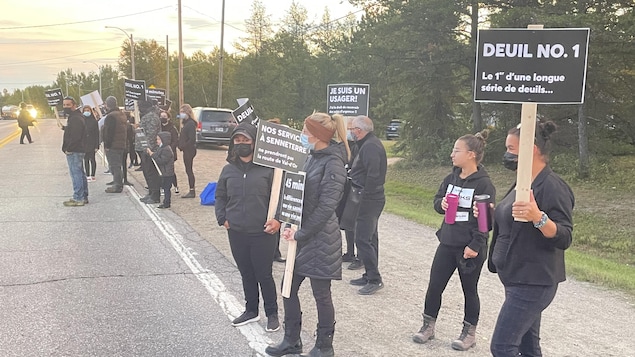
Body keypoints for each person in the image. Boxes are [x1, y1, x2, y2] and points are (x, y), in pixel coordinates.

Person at [486, 121, 574, 356]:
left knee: (502, 346)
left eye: (512, 149)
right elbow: (515, 219)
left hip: (534, 282)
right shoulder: (524, 182)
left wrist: (539, 218)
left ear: (531, 149)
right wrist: (496, 212)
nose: (507, 154)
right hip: (515, 275)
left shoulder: (552, 186)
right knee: (528, 346)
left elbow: (564, 236)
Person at [266, 112, 350, 357]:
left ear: (317, 136)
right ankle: (292, 340)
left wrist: (300, 234)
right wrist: (278, 218)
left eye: (304, 132)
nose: (302, 136)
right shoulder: (309, 157)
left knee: (321, 294)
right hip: (302, 238)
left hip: (321, 239)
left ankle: (325, 345)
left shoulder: (333, 163)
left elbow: (327, 207)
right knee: (288, 287)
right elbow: (294, 193)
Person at [412, 130, 496, 351]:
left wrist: (475, 246)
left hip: (469, 247)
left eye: (456, 150)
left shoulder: (484, 185)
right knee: (434, 286)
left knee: (469, 290)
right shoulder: (451, 178)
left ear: (470, 154)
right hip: (447, 242)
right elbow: (437, 199)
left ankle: (469, 334)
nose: (452, 154)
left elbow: (485, 220)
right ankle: (428, 326)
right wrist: (441, 204)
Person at [215, 122, 282, 333]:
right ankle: (251, 310)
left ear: (255, 142)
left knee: (263, 273)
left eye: (246, 140)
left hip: (263, 232)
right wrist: (222, 218)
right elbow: (220, 196)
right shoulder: (228, 170)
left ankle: (272, 313)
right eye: (238, 140)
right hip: (236, 231)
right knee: (246, 273)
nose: (241, 144)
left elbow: (279, 198)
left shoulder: (270, 170)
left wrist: (278, 219)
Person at [348, 115, 388, 295]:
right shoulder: (366, 144)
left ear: (359, 130)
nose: (350, 132)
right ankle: (369, 273)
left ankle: (374, 278)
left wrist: (365, 196)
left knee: (362, 238)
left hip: (369, 197)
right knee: (371, 237)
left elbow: (374, 174)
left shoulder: (370, 146)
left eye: (352, 129)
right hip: (369, 195)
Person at [338, 116, 361, 269]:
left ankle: (360, 256)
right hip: (347, 185)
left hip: (356, 187)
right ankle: (350, 252)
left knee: (355, 222)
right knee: (346, 220)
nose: (350, 131)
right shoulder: (347, 145)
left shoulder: (360, 146)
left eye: (351, 128)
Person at [61, 96, 88, 206]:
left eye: (68, 105)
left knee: (76, 173)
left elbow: (76, 136)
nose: (66, 107)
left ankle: (78, 197)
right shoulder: (74, 117)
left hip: (75, 150)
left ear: (74, 105)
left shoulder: (76, 118)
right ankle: (83, 195)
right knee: (80, 173)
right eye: (64, 105)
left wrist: (69, 149)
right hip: (78, 149)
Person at [267, 117, 285, 263]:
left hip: (279, 188)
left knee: (278, 218)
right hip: (265, 189)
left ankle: (275, 251)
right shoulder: (262, 150)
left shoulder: (283, 149)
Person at [136, 100, 162, 203]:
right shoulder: (147, 115)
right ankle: (151, 192)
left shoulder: (151, 117)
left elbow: (151, 135)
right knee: (147, 172)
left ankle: (155, 195)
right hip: (143, 148)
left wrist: (148, 149)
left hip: (149, 149)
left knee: (152, 173)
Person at [102, 96, 128, 193]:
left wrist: (107, 145)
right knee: (118, 165)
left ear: (107, 105)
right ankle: (117, 181)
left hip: (113, 145)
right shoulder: (122, 114)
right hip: (121, 144)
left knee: (114, 165)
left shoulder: (111, 116)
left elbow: (109, 132)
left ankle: (117, 185)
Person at [147, 132, 175, 209]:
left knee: (166, 189)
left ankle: (167, 203)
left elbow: (162, 161)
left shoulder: (166, 149)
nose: (157, 141)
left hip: (167, 173)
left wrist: (152, 154)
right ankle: (165, 202)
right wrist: (152, 153)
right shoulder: (162, 148)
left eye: (159, 139)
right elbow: (157, 155)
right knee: (165, 187)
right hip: (164, 172)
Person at [177, 104, 197, 198]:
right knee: (188, 169)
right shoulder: (186, 123)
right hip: (186, 149)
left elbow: (192, 139)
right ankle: (191, 189)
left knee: (189, 170)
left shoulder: (190, 124)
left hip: (189, 149)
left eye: (182, 112)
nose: (180, 114)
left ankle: (192, 190)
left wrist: (183, 146)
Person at [160, 111, 180, 194]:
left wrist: (169, 149)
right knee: (161, 170)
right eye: (161, 116)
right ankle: (163, 187)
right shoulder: (159, 127)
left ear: (168, 118)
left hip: (170, 152)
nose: (162, 118)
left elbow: (175, 141)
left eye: (164, 116)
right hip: (160, 152)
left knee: (170, 170)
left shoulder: (172, 128)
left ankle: (175, 185)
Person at [82, 105, 100, 182]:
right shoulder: (81, 120)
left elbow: (97, 134)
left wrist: (97, 145)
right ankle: (87, 175)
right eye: (85, 110)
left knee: (92, 159)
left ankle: (93, 175)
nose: (86, 112)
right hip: (84, 143)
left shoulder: (94, 121)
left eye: (88, 110)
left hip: (92, 143)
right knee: (85, 160)